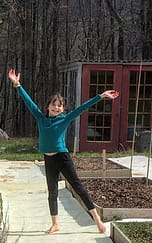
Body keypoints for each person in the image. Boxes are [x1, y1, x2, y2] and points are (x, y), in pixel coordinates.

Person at [8, 68, 119, 234]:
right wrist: (17, 84)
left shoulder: (65, 119)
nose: (57, 108)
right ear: (48, 107)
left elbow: (82, 108)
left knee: (78, 187)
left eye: (60, 106)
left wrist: (101, 96)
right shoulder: (41, 118)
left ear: (63, 109)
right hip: (48, 159)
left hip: (62, 157)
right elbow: (28, 101)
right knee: (52, 191)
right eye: (54, 105)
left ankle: (97, 220)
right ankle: (55, 224)